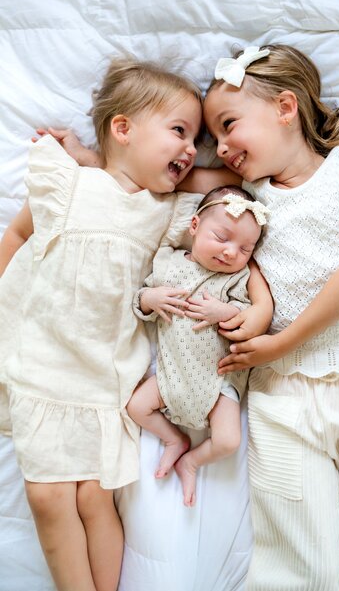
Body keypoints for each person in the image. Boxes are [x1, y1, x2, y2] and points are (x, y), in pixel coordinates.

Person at [197, 44, 339, 590]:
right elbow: (159, 179)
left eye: (229, 125)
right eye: (212, 139)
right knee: (292, 557)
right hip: (283, 393)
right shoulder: (242, 197)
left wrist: (281, 343)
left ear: (285, 107)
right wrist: (90, 160)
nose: (220, 148)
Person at [0, 56, 203, 591]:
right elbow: (20, 235)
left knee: (94, 496)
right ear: (123, 128)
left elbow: (223, 175)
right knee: (47, 496)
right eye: (180, 131)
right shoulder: (65, 183)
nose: (190, 150)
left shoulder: (165, 209)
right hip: (43, 361)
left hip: (105, 375)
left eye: (195, 140)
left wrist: (97, 155)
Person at [127, 185, 272, 507]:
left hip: (218, 380)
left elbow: (248, 316)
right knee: (136, 407)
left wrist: (225, 312)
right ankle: (173, 439)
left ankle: (191, 461)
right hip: (172, 372)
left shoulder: (237, 278)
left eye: (245, 249)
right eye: (222, 238)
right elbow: (141, 301)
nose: (232, 253)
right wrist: (151, 298)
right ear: (194, 227)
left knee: (228, 441)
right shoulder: (168, 262)